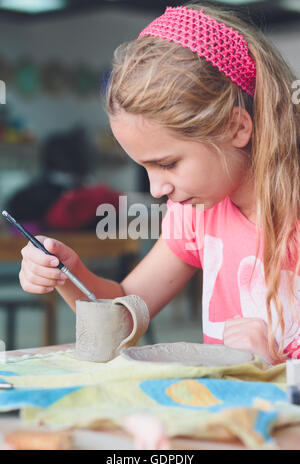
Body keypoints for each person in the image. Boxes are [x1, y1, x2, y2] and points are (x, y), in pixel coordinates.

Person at [19, 3, 300, 365]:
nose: (156, 190)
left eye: (167, 163)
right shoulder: (196, 212)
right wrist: (70, 275)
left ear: (237, 128)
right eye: (145, 168)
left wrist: (275, 367)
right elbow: (125, 311)